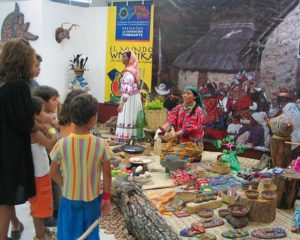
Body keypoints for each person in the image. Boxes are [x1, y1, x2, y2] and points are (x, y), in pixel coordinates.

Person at [50, 94, 113, 240]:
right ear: (93, 119)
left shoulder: (62, 144)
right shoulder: (101, 144)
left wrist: (65, 184)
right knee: (90, 235)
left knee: (68, 236)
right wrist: (106, 198)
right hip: (92, 202)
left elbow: (52, 172)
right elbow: (108, 173)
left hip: (69, 201)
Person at [0, 38, 36, 240]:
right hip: (10, 149)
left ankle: (15, 224)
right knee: (6, 195)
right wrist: (44, 126)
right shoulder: (19, 87)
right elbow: (25, 123)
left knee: (5, 190)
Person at [29, 96, 57, 240]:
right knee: (39, 209)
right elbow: (50, 144)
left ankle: (41, 234)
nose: (46, 114)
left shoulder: (33, 128)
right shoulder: (34, 132)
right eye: (43, 111)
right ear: (35, 115)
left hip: (36, 174)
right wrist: (52, 131)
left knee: (37, 207)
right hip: (39, 176)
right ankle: (40, 237)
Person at [33, 85, 60, 227]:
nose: (57, 103)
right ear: (43, 104)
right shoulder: (39, 123)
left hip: (48, 161)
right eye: (54, 100)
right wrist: (52, 128)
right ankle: (48, 215)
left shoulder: (48, 117)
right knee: (47, 189)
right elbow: (49, 143)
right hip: (43, 165)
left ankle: (54, 210)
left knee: (52, 186)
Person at [157, 86, 206, 162]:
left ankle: (196, 155)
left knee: (174, 158)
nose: (185, 95)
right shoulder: (179, 108)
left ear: (195, 96)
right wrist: (162, 129)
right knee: (164, 154)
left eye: (188, 93)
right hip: (178, 141)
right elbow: (171, 119)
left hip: (192, 143)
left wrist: (174, 134)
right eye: (184, 93)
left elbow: (189, 128)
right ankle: (191, 156)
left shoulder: (198, 111)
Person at [115, 50, 143, 142]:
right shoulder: (132, 71)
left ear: (130, 59)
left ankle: (127, 138)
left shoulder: (129, 73)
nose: (122, 59)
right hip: (133, 98)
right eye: (122, 56)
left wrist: (122, 103)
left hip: (129, 99)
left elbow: (127, 89)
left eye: (124, 57)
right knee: (132, 117)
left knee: (128, 117)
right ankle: (131, 139)